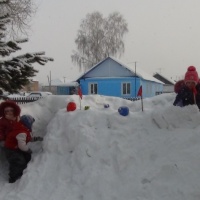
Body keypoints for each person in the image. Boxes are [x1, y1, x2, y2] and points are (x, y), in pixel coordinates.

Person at [4, 115, 43, 183]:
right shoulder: (21, 131)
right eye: (31, 123)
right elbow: (22, 145)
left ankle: (24, 169)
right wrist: (28, 150)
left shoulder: (23, 129)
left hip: (16, 147)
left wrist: (36, 139)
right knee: (18, 162)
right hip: (11, 150)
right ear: (28, 123)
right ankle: (13, 177)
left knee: (26, 156)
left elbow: (27, 138)